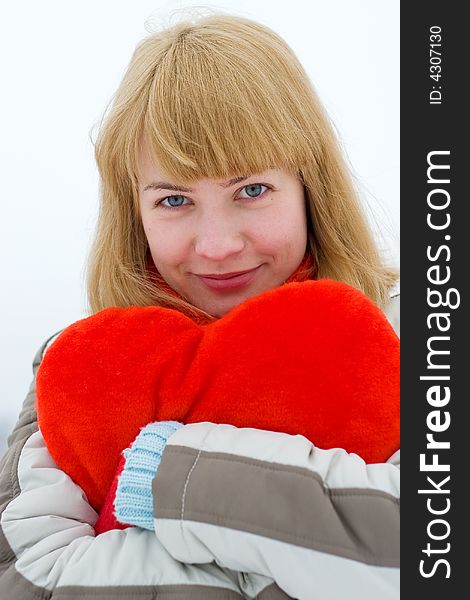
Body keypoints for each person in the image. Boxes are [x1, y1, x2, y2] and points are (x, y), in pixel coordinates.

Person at [0, 13, 400, 600]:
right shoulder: (83, 368)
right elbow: (34, 579)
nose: (217, 245)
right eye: (174, 199)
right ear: (133, 210)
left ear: (310, 185)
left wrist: (169, 476)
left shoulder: (408, 326)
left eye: (252, 190)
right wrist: (307, 553)